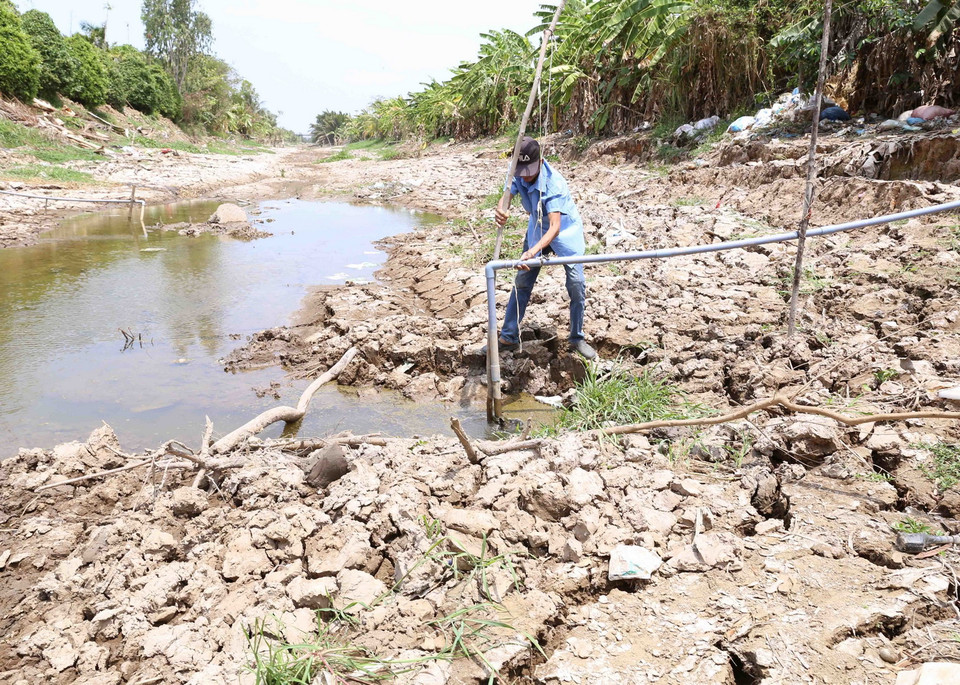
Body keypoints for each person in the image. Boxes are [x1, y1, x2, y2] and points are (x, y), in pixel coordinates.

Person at [493, 136, 596, 360]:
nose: (526, 176)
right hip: (538, 228)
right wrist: (501, 210)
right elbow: (507, 197)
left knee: (576, 284)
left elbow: (555, 227)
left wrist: (532, 251)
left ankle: (577, 338)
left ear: (540, 162)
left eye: (529, 170)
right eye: (521, 171)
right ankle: (508, 336)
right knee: (522, 281)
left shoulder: (554, 183)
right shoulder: (517, 173)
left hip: (563, 232)